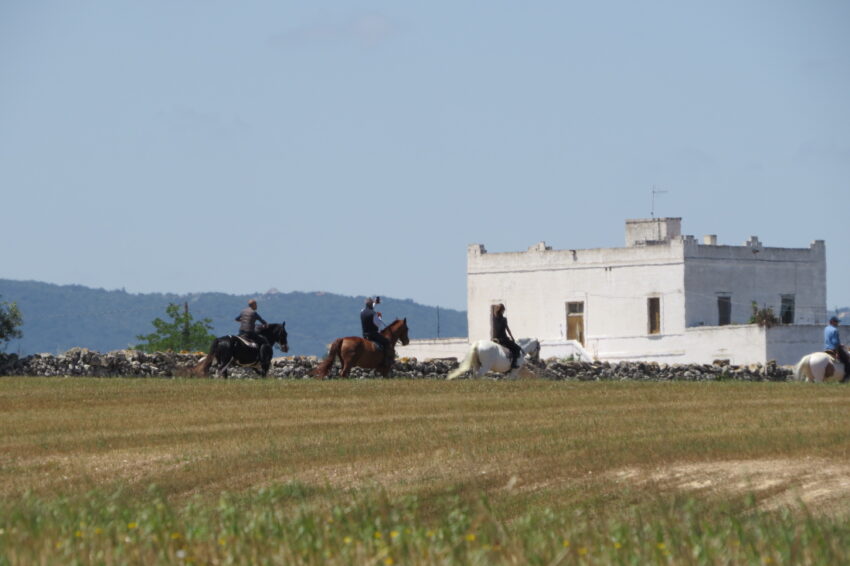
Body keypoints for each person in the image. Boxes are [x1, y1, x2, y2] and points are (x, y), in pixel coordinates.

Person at [361, 297, 393, 366]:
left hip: (364, 335)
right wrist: (379, 317)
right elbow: (378, 324)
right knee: (387, 342)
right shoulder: (373, 313)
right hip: (373, 334)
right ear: (371, 304)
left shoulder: (362, 311)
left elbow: (370, 308)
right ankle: (386, 361)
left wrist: (375, 303)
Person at [491, 303, 522, 369]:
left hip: (495, 338)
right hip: (503, 339)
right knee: (517, 348)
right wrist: (512, 338)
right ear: (502, 310)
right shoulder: (504, 319)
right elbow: (507, 329)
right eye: (503, 311)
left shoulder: (494, 319)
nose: (504, 312)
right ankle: (513, 364)